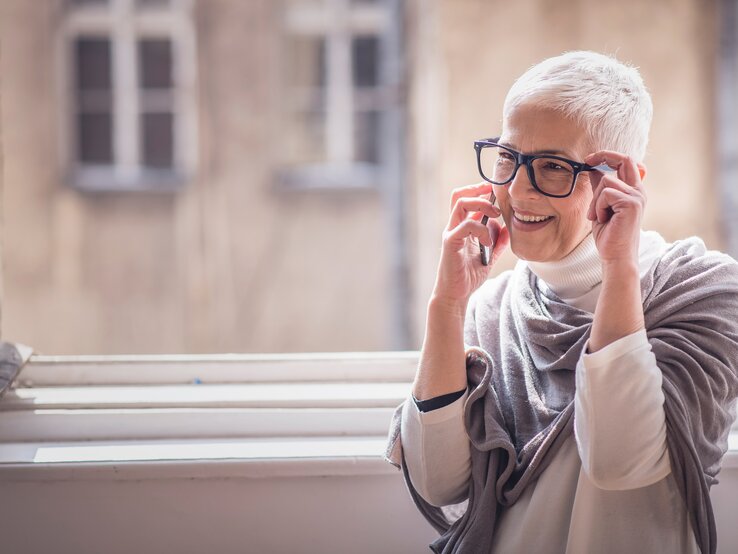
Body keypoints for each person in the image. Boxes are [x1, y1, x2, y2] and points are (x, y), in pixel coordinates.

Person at [384, 51, 738, 554]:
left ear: (625, 180)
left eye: (552, 166)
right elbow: (437, 481)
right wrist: (447, 304)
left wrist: (619, 266)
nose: (519, 189)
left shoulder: (704, 291)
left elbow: (620, 460)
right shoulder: (494, 307)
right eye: (508, 158)